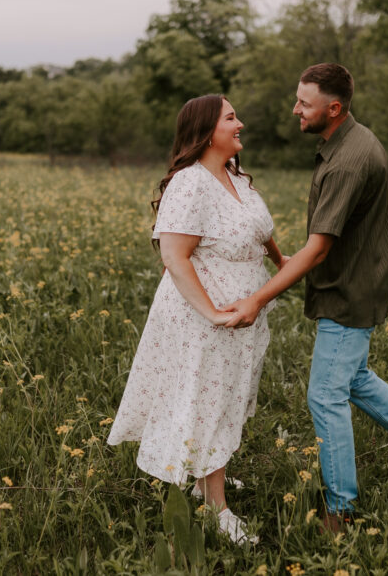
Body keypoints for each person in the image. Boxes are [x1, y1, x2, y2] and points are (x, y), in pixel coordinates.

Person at [224, 63, 388, 532]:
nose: (295, 109)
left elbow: (318, 248)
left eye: (304, 103)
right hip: (357, 283)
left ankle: (341, 511)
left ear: (333, 109)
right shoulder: (347, 143)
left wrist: (256, 300)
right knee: (355, 380)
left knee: (325, 396)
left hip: (349, 292)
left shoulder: (349, 160)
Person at [108, 94, 285, 546]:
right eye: (231, 118)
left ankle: (208, 479)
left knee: (225, 395)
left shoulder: (235, 177)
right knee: (206, 396)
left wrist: (284, 265)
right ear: (207, 130)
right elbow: (174, 256)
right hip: (203, 316)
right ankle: (215, 509)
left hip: (241, 314)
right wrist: (210, 312)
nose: (240, 123)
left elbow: (260, 231)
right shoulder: (190, 183)